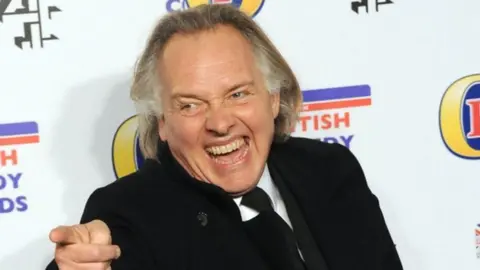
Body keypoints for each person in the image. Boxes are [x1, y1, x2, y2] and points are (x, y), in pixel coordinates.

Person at [46, 4, 403, 270]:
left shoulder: (330, 169)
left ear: (273, 97)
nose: (219, 123)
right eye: (190, 105)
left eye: (238, 94)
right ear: (162, 124)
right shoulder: (129, 215)